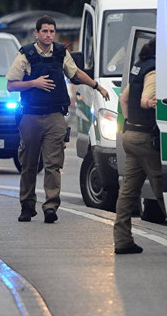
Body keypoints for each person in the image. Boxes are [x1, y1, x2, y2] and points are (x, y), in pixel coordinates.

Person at [6, 15, 109, 224]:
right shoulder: (26, 54)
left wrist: (96, 86)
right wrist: (34, 83)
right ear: (37, 33)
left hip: (55, 115)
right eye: (44, 31)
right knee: (29, 164)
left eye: (52, 31)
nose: (48, 35)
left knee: (53, 164)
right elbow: (11, 85)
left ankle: (51, 206)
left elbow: (76, 73)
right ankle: (27, 205)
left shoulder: (61, 52)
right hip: (30, 115)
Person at [113, 38, 167, 254]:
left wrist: (129, 122)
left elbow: (124, 99)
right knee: (162, 186)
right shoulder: (153, 71)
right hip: (144, 139)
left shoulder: (139, 68)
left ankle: (122, 239)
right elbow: (145, 99)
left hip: (131, 134)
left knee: (128, 191)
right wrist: (152, 104)